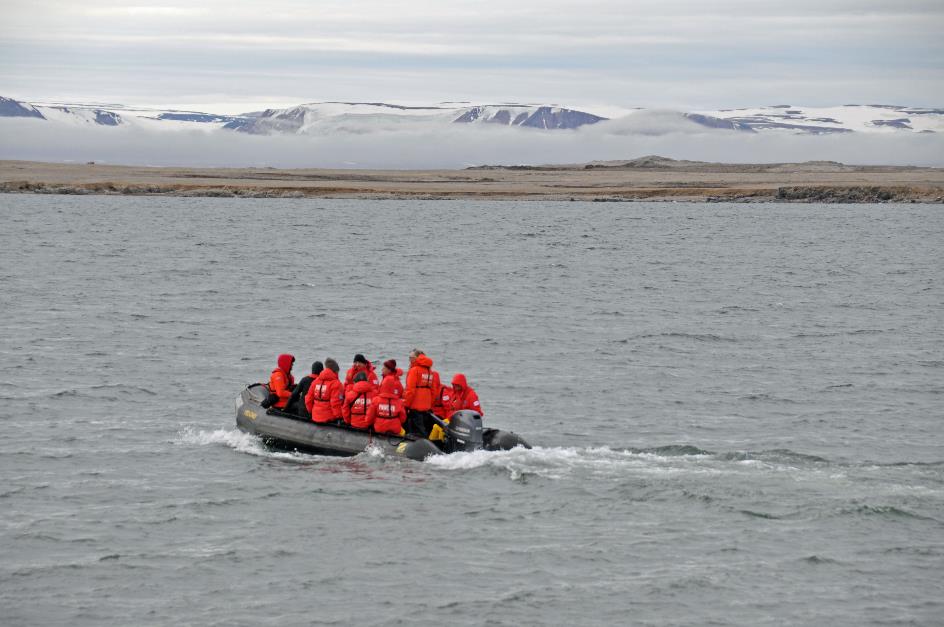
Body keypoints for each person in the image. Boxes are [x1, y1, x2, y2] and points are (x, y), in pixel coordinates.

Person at [403, 349, 441, 437]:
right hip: (426, 407)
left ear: (417, 358)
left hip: (415, 406)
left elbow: (410, 390)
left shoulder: (414, 370)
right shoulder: (429, 372)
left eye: (411, 358)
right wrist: (429, 404)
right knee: (424, 429)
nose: (410, 360)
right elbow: (433, 391)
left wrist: (406, 405)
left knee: (416, 431)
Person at [305, 358, 344, 424]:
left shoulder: (315, 381)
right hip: (329, 418)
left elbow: (308, 399)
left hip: (315, 416)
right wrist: (339, 417)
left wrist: (311, 412)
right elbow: (335, 403)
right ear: (335, 371)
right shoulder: (336, 384)